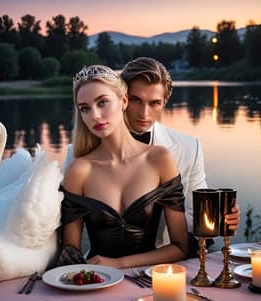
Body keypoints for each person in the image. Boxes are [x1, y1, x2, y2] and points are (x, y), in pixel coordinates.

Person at [63, 57, 240, 253]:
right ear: (124, 98)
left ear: (165, 102)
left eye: (154, 103)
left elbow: (194, 216)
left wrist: (218, 218)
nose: (144, 113)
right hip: (103, 267)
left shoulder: (187, 147)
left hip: (167, 261)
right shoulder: (78, 155)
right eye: (137, 100)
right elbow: (65, 227)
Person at [58, 65, 189, 268]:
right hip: (99, 280)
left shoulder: (159, 159)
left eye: (102, 103)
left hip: (150, 280)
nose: (94, 115)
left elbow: (180, 247)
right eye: (85, 108)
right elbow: (71, 253)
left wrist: (120, 263)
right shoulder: (79, 170)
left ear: (124, 101)